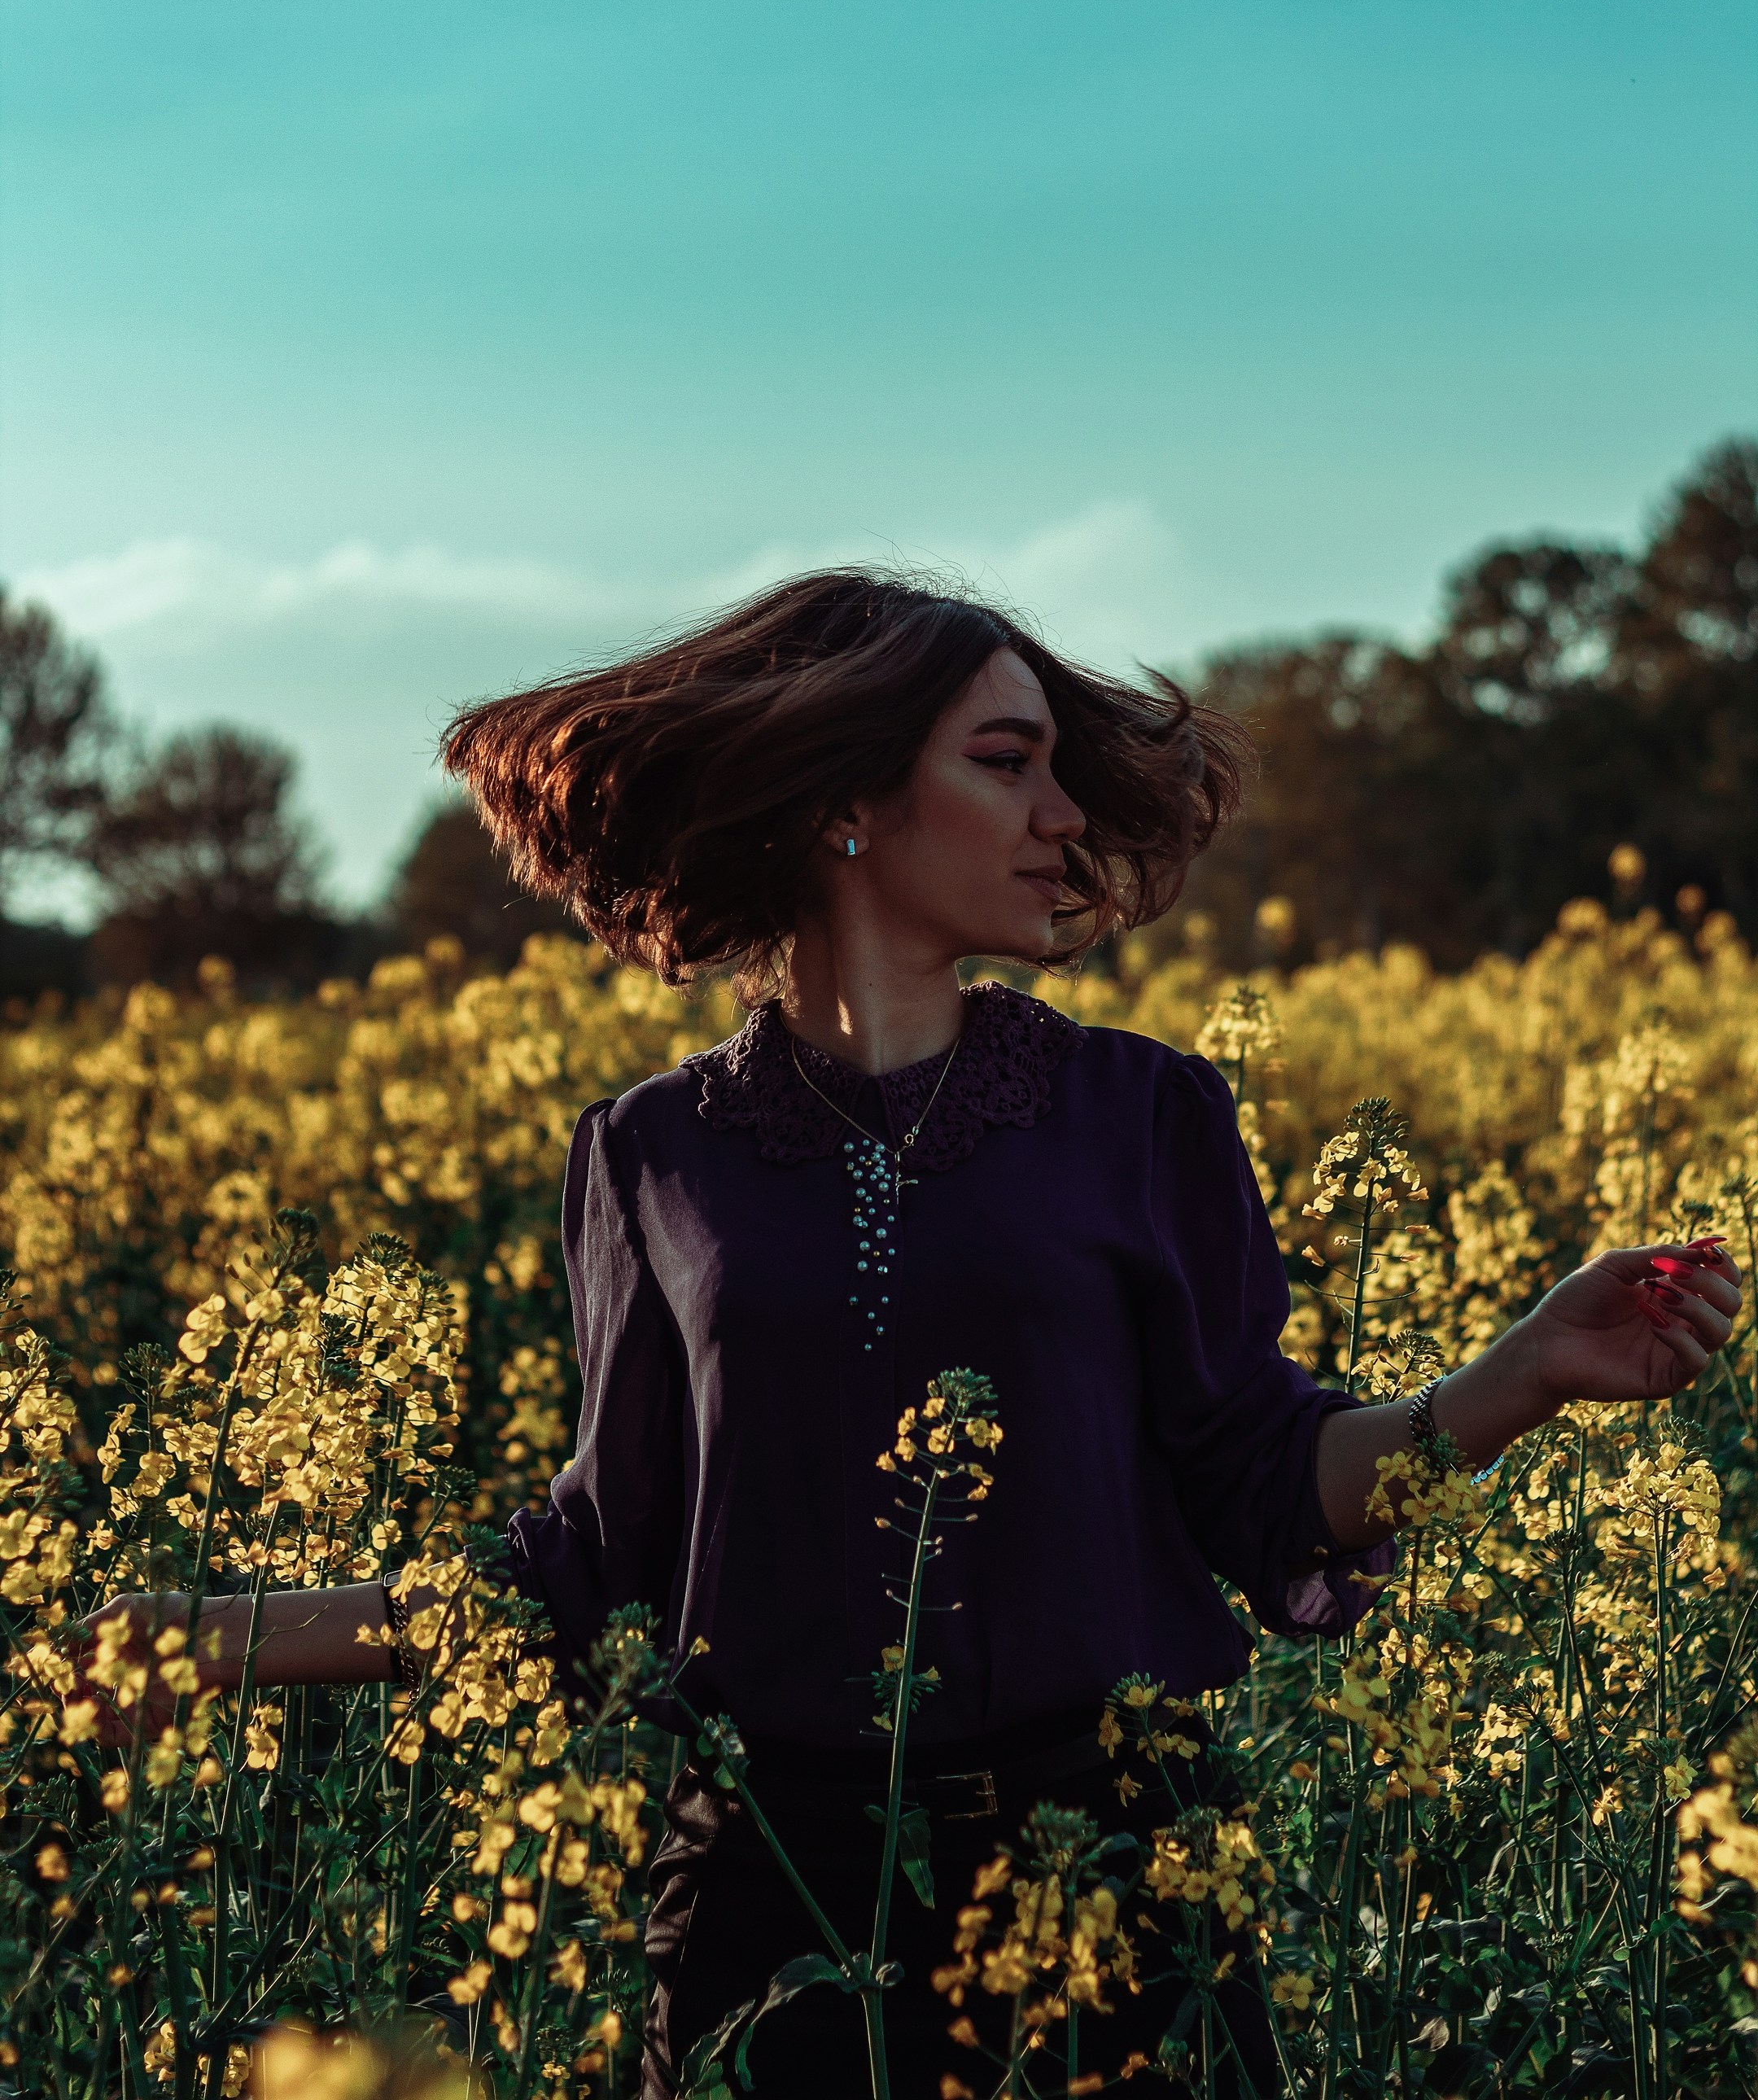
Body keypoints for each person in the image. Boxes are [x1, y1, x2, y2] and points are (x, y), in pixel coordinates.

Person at [83, 573, 1742, 2098]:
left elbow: (1261, 1485)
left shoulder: (1141, 1113)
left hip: (1114, 1884)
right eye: (1008, 764)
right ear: (848, 802)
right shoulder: (652, 1155)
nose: (1062, 815)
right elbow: (592, 1570)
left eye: (1056, 769)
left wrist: (1522, 1377)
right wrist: (206, 1636)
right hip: (771, 1901)